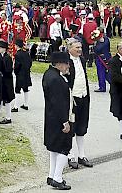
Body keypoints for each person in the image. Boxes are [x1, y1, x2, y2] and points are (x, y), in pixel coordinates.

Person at [42, 51, 74, 190]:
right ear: (59, 64)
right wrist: (65, 121)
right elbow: (59, 103)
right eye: (66, 63)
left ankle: (51, 175)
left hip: (50, 117)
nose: (68, 66)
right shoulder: (56, 80)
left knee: (54, 147)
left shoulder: (49, 74)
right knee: (64, 147)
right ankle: (58, 178)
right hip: (59, 118)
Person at [66, 38, 93, 169]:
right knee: (71, 127)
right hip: (73, 99)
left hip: (83, 96)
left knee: (82, 127)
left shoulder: (82, 60)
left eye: (80, 48)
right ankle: (70, 155)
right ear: (69, 48)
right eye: (77, 48)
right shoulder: (66, 62)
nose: (79, 50)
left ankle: (81, 155)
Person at [0, 41, 15, 124]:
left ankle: (8, 117)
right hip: (3, 81)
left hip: (7, 81)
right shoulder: (1, 56)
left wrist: (1, 72)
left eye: (0, 48)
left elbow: (8, 70)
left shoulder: (7, 58)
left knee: (7, 100)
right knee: (1, 98)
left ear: (4, 49)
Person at [13, 39, 32, 112]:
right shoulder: (26, 53)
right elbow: (30, 63)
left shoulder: (17, 54)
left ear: (16, 46)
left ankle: (15, 106)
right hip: (26, 73)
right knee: (25, 89)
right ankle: (26, 104)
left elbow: (17, 65)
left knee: (17, 90)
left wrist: (16, 72)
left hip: (20, 74)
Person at [93, 28, 111, 93]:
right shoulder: (105, 39)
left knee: (101, 73)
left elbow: (98, 49)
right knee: (106, 73)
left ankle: (102, 87)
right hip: (105, 57)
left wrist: (95, 45)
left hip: (102, 58)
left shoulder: (103, 40)